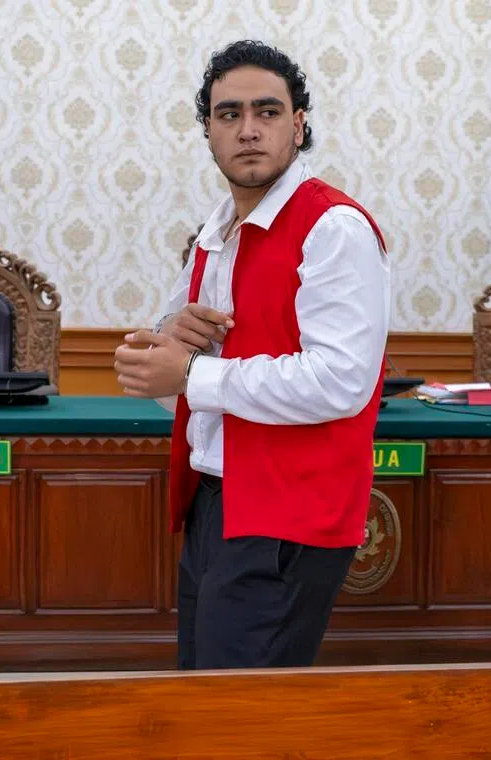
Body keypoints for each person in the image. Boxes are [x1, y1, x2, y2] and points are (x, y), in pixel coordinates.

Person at [113, 40, 390, 670]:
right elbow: (173, 376)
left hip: (290, 511)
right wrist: (168, 338)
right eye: (228, 114)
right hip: (216, 497)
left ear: (298, 125)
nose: (248, 129)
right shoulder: (215, 234)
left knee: (243, 708)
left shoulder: (333, 227)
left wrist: (191, 372)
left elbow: (341, 381)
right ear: (208, 132)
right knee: (205, 688)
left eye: (267, 112)